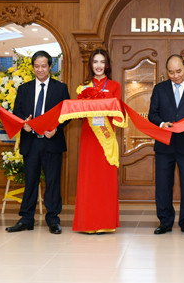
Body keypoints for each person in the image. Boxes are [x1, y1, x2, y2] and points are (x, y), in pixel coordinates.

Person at [6, 50, 70, 234]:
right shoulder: (24, 89)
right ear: (33, 68)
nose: (40, 69)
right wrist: (23, 124)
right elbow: (17, 112)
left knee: (53, 182)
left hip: (52, 141)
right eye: (37, 66)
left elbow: (67, 114)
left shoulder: (60, 88)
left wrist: (56, 127)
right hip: (31, 141)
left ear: (50, 67)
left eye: (43, 66)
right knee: (30, 182)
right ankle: (26, 219)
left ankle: (53, 220)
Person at [148, 54, 184, 236]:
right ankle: (165, 221)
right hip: (164, 144)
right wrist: (161, 124)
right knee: (163, 185)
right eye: (171, 72)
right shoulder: (159, 89)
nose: (175, 76)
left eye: (179, 71)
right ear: (167, 72)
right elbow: (152, 114)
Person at [73, 49, 122, 233]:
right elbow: (78, 114)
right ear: (90, 65)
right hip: (89, 136)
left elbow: (118, 111)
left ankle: (105, 223)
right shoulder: (83, 87)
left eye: (102, 62)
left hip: (106, 138)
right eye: (95, 62)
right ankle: (88, 223)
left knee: (105, 179)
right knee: (89, 179)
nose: (99, 66)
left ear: (107, 65)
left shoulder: (114, 86)